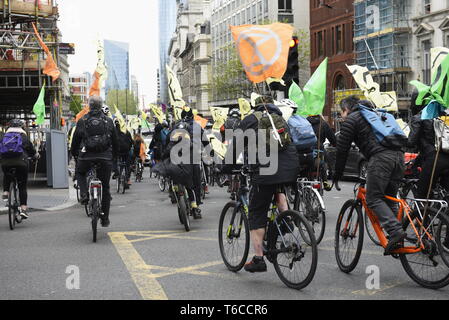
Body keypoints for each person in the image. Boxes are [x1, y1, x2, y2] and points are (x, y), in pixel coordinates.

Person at [227, 95, 300, 272]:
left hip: (266, 171)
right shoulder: (281, 119)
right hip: (290, 167)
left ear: (255, 106)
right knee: (278, 191)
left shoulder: (250, 120)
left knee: (256, 212)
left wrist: (225, 167)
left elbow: (235, 147)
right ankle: (286, 219)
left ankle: (259, 258)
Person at [334, 96, 406, 253]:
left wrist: (337, 174)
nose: (341, 116)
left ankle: (395, 231)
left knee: (373, 199)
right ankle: (398, 237)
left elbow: (342, 150)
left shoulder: (352, 119)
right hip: (399, 156)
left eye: (341, 112)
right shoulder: (374, 114)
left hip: (381, 159)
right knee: (389, 199)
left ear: (347, 109)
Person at [71, 96, 118, 227]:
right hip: (105, 157)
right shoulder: (108, 121)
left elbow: (75, 142)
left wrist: (75, 154)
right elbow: (115, 142)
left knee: (80, 173)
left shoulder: (82, 120)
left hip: (87, 156)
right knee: (106, 187)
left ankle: (84, 194)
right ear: (101, 105)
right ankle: (105, 218)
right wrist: (114, 158)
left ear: (89, 106)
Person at [408, 105, 449, 199]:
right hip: (446, 155)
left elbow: (411, 142)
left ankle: (424, 213)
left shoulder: (420, 116)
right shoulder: (442, 116)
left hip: (433, 159)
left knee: (422, 193)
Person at [0, 119, 38, 219]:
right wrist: (35, 156)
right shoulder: (24, 136)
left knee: (7, 174)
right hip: (21, 163)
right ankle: (23, 209)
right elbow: (32, 151)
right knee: (22, 186)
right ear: (21, 127)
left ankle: (5, 192)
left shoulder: (4, 136)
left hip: (5, 163)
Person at [307, 114, 336, 191]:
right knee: (325, 159)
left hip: (306, 151)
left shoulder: (305, 122)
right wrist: (335, 144)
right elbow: (332, 139)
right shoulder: (323, 124)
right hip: (319, 150)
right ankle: (325, 181)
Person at [113, 119, 133, 188]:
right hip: (126, 151)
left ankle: (116, 173)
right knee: (128, 165)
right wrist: (129, 147)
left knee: (114, 161)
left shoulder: (114, 131)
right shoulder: (126, 131)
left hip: (117, 151)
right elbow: (131, 141)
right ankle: (127, 179)